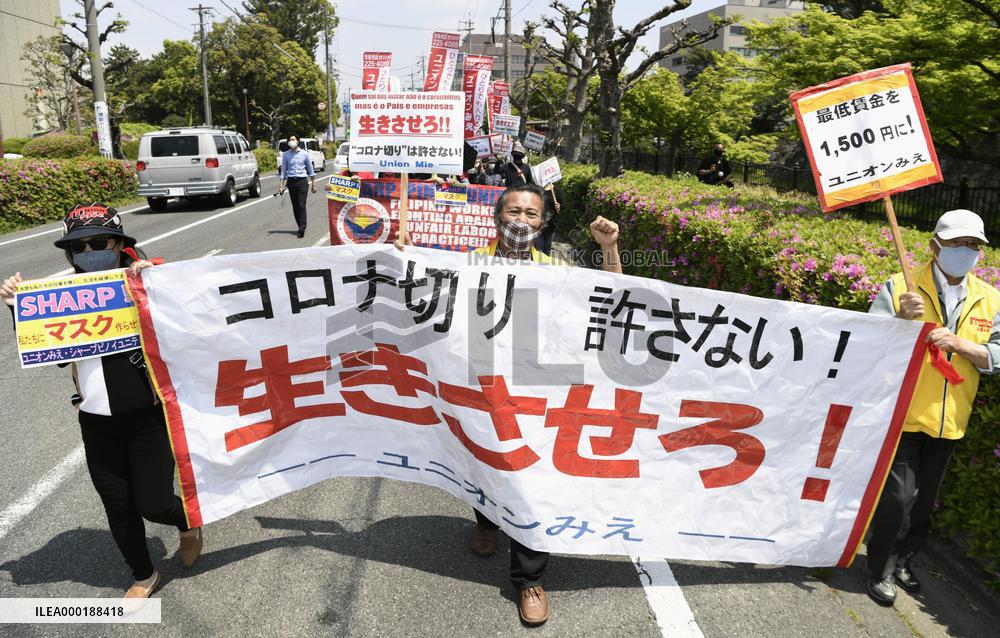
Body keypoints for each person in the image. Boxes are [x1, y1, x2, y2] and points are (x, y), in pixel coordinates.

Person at [398, 183, 621, 625]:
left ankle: (530, 579)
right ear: (497, 217)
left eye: (531, 214)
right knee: (485, 459)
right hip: (480, 389)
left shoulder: (554, 270)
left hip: (536, 393)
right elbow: (420, 294)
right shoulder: (467, 264)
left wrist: (610, 248)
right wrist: (405, 257)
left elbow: (611, 295)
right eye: (513, 212)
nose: (521, 221)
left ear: (543, 223)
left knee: (530, 480)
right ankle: (486, 521)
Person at [1, 204, 204, 599]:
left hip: (148, 419)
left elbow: (186, 331)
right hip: (96, 423)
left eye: (97, 242)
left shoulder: (143, 282)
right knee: (118, 506)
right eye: (78, 247)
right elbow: (58, 357)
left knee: (154, 504)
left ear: (118, 244)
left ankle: (188, 522)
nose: (87, 251)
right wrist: (17, 308)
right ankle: (144, 575)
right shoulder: (61, 294)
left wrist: (156, 284)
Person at [865, 209, 1000, 607]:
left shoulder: (991, 299)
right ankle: (880, 568)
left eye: (973, 245)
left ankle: (905, 561)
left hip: (952, 418)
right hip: (905, 414)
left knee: (924, 504)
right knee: (899, 497)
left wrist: (961, 345)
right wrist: (899, 320)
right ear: (935, 246)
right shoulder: (900, 287)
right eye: (957, 243)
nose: (965, 251)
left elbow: (996, 355)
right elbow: (869, 344)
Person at [278, 134, 317, 238]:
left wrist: (313, 183)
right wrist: (281, 185)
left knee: (301, 204)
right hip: (291, 181)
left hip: (302, 181)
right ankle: (299, 225)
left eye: (293, 139)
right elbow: (283, 170)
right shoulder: (286, 154)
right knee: (295, 206)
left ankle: (302, 227)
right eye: (290, 140)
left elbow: (310, 169)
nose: (292, 141)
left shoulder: (305, 154)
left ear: (298, 141)